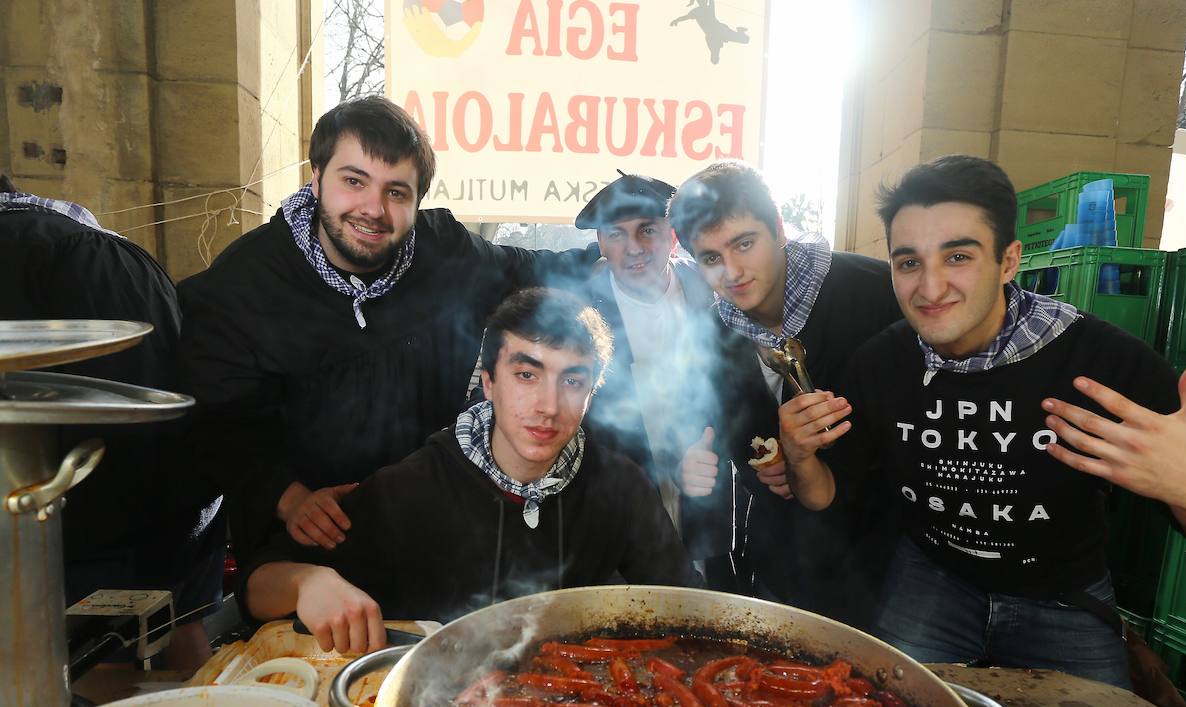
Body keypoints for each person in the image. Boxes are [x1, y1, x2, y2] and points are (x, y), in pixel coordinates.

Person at [780, 155, 1186, 688]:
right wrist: (798, 456)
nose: (930, 289)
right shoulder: (880, 364)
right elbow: (825, 495)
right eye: (909, 262)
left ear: (1009, 261)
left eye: (958, 256)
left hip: (1063, 595)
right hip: (932, 578)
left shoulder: (1102, 364)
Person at [178, 96, 599, 567]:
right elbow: (217, 423)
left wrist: (605, 261)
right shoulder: (241, 285)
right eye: (354, 181)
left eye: (396, 193)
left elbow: (525, 270)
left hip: (430, 524)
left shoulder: (442, 251)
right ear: (316, 177)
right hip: (305, 543)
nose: (373, 210)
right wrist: (287, 497)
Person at [241, 288, 699, 653]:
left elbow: (689, 608)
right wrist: (307, 582)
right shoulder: (413, 487)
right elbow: (255, 587)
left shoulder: (621, 487)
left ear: (591, 394)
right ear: (489, 383)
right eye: (526, 375)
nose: (548, 405)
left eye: (573, 381)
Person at [0, 128, 223, 668]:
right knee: (185, 651)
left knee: (97, 679)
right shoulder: (89, 236)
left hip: (97, 512)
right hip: (183, 500)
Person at [666, 161, 903, 626]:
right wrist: (697, 463)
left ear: (777, 227)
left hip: (891, 564)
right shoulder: (710, 334)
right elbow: (712, 427)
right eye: (711, 258)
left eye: (744, 243)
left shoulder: (879, 292)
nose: (732, 271)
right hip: (784, 562)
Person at [570, 171, 763, 576]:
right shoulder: (580, 314)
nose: (634, 247)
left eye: (647, 230)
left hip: (707, 501)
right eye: (617, 234)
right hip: (620, 508)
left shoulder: (714, 291)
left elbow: (741, 394)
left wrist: (721, 452)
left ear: (672, 234)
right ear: (600, 241)